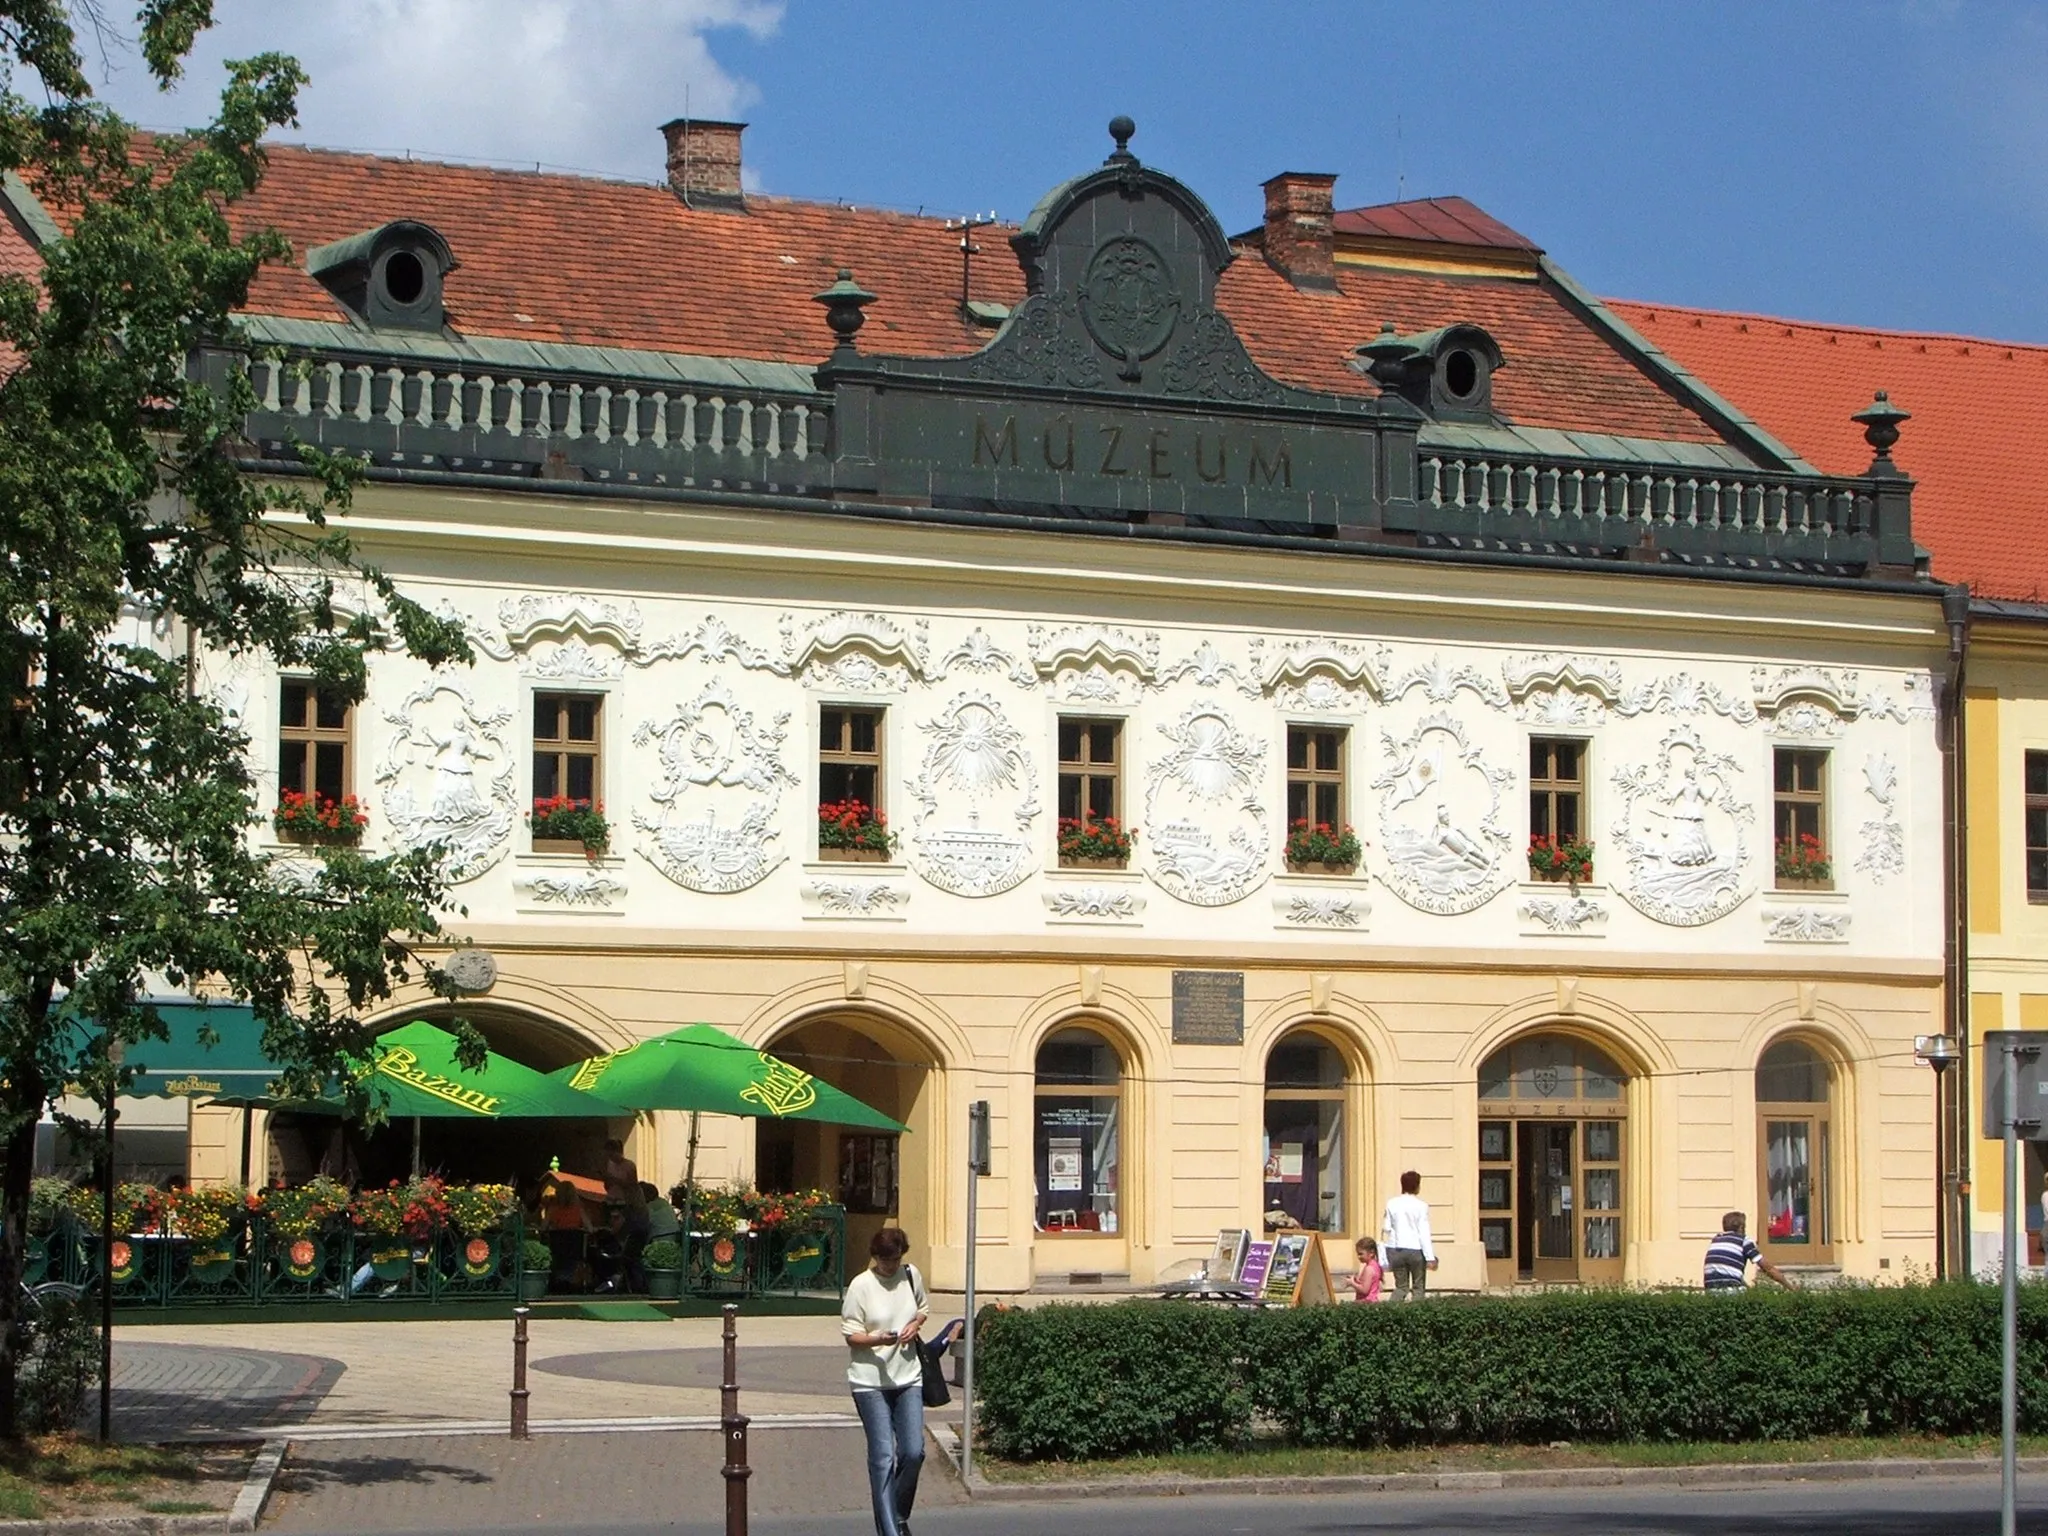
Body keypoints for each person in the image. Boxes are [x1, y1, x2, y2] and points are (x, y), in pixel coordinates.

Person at [841, 1226, 929, 1536]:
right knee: (883, 1456)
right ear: (874, 1257)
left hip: (908, 1377)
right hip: (870, 1382)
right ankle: (890, 1531)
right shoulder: (860, 1286)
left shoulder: (910, 1275)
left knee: (914, 1451)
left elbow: (922, 1310)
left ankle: (898, 1513)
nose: (888, 1266)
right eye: (882, 1260)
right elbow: (851, 1335)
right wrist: (877, 1338)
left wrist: (913, 1327)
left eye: (893, 1259)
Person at [603, 1139, 651, 1293]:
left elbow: (630, 1184)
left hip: (628, 1203)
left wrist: (614, 1180)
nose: (611, 1157)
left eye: (613, 1153)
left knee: (630, 1242)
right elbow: (607, 1185)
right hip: (613, 1199)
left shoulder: (629, 1165)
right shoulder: (609, 1164)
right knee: (614, 1233)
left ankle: (635, 1282)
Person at [1381, 1170, 1437, 1301]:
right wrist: (1430, 1257)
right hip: (1415, 1250)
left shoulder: (1391, 1203)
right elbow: (1423, 1233)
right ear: (1417, 1186)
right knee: (1418, 1287)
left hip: (1395, 1248)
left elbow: (1386, 1228)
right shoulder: (1421, 1206)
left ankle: (1390, 1313)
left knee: (1401, 1287)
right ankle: (1417, 1316)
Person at [1704, 1211, 1791, 1291]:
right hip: (1731, 1290)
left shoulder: (1717, 1239)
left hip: (1711, 1290)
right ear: (1741, 1227)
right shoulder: (1744, 1241)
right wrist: (1789, 1287)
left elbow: (1728, 1272)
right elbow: (1767, 1268)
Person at [1349, 1236, 1384, 1303]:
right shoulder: (1375, 1265)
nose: (1358, 1257)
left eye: (1361, 1254)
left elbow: (1364, 1290)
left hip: (1366, 1303)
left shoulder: (1369, 1269)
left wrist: (1352, 1283)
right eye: (1357, 1254)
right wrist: (1357, 1280)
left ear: (1371, 1253)